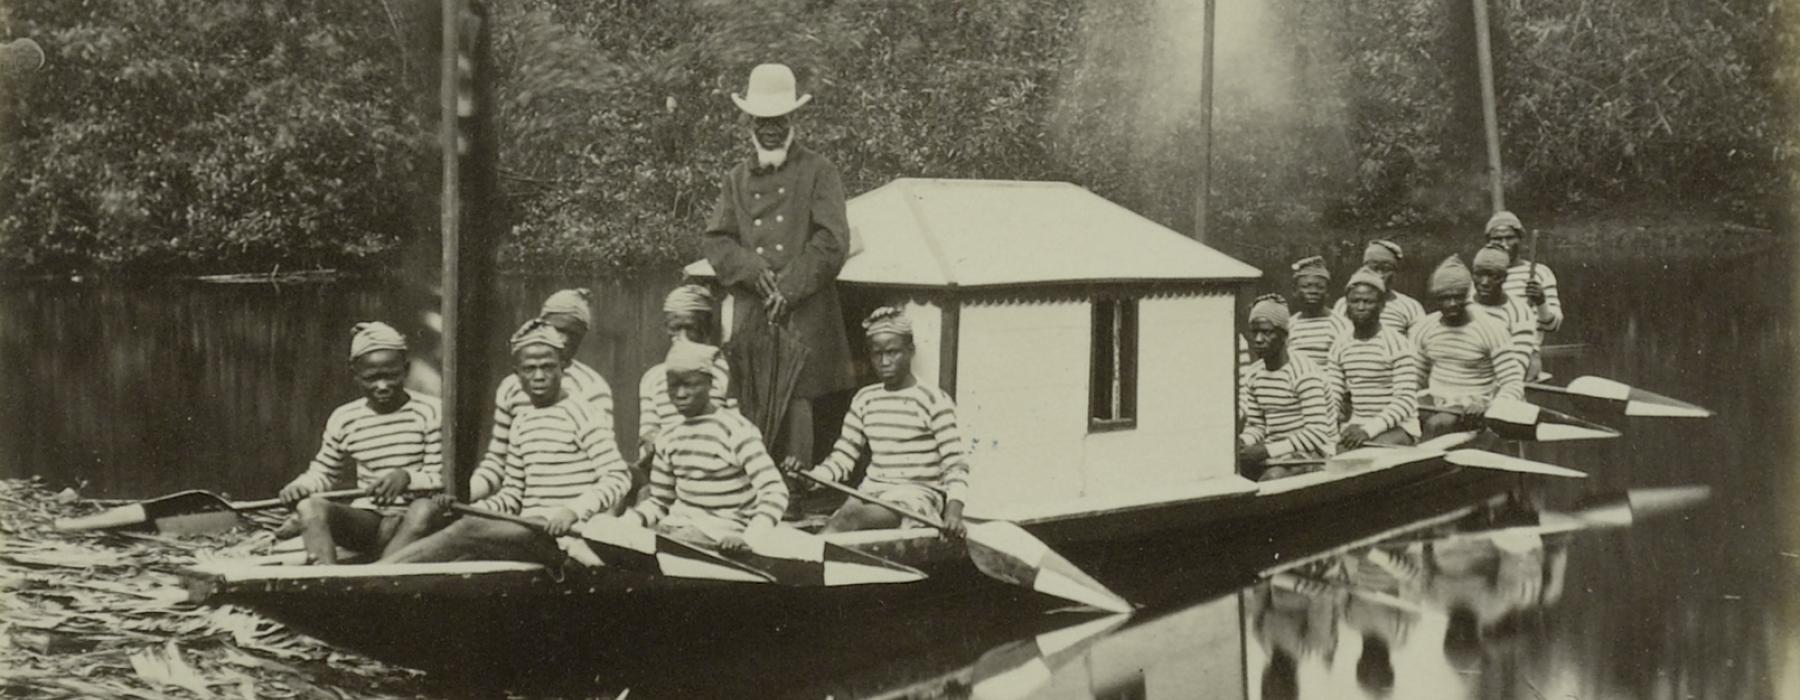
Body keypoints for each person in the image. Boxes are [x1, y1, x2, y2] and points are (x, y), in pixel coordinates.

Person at [702, 63, 857, 466]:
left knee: (800, 394)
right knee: (753, 392)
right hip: (755, 306)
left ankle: (801, 485)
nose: (770, 128)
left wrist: (789, 288)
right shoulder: (735, 178)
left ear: (793, 120)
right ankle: (755, 484)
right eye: (762, 120)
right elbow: (716, 240)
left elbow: (833, 239)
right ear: (750, 122)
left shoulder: (819, 171)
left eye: (779, 120)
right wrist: (750, 269)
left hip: (805, 306)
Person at [381, 320, 631, 564]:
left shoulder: (585, 413)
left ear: (563, 366)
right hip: (530, 527)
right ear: (517, 374)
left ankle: (374, 574)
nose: (539, 376)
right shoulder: (522, 421)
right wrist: (467, 506)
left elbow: (618, 477)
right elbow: (511, 495)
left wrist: (572, 511)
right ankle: (377, 578)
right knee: (461, 532)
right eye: (530, 369)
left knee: (466, 531)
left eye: (548, 367)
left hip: (569, 537)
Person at [793, 307, 971, 537]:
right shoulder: (865, 399)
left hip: (915, 499)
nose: (885, 361)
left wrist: (954, 513)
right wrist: (810, 478)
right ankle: (809, 564)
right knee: (842, 516)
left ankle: (807, 567)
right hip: (870, 493)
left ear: (910, 351)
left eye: (893, 352)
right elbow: (843, 458)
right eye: (877, 354)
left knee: (849, 519)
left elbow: (955, 465)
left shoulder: (933, 399)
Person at [277, 322, 442, 565]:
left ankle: (378, 577)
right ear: (355, 375)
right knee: (309, 507)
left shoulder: (431, 411)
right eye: (372, 378)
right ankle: (326, 579)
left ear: (405, 370)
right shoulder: (344, 418)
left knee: (425, 510)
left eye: (391, 375)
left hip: (414, 521)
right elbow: (323, 473)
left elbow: (440, 477)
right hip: (369, 520)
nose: (382, 386)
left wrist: (407, 478)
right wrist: (301, 486)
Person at [633, 340, 789, 554]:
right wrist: (626, 523)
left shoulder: (735, 430)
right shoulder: (669, 436)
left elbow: (775, 491)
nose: (680, 394)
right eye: (673, 385)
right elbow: (660, 501)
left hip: (725, 532)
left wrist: (749, 538)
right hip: (678, 528)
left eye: (689, 384)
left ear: (709, 383)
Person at [469, 288, 615, 505]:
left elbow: (602, 470)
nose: (563, 340)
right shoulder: (510, 387)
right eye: (557, 329)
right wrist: (465, 494)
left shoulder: (593, 387)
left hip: (566, 507)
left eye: (573, 335)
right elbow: (498, 461)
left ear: (583, 337)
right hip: (514, 499)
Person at [1413, 256, 1525, 438]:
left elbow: (1513, 383)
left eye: (1457, 297)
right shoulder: (1424, 327)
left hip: (1474, 406)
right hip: (1433, 400)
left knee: (1437, 425)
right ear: (1436, 298)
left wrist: (1489, 405)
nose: (1451, 304)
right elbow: (1416, 377)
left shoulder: (1491, 328)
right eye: (1445, 298)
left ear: (1466, 295)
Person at [1238, 295, 1337, 479]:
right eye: (1254, 332)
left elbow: (1317, 433)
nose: (1258, 339)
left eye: (1267, 332)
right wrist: (1243, 442)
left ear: (1284, 334)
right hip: (1277, 450)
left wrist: (1267, 450)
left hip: (1315, 454)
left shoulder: (1305, 373)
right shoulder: (1254, 374)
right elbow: (1257, 425)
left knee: (1272, 478)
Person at [1324, 267, 1419, 448]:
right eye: (1355, 301)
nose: (1361, 307)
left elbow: (1405, 400)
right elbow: (1333, 395)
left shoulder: (1398, 344)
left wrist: (1368, 430)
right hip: (1358, 423)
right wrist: (1330, 425)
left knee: (1364, 455)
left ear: (1382, 305)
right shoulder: (1340, 344)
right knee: (1330, 452)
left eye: (1368, 302)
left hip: (1399, 426)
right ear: (1346, 305)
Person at [1484, 211, 1563, 376]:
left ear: (1520, 240)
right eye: (1497, 239)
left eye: (1509, 237)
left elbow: (1553, 325)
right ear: (1488, 243)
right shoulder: (1481, 277)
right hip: (1487, 359)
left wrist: (1541, 302)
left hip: (1525, 359)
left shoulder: (1539, 273)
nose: (1504, 244)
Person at [1470, 243, 1539, 378]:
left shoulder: (1520, 313)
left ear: (1504, 278)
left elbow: (1516, 368)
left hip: (1501, 385)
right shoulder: (1462, 305)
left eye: (1492, 276)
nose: (1484, 282)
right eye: (1479, 275)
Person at [1332, 240, 1426, 336]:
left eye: (1386, 269)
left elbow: (1418, 342)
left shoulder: (1410, 306)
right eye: (1374, 268)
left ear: (1395, 272)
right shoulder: (1344, 304)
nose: (1380, 275)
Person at [1284, 256, 1351, 367]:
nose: (1313, 291)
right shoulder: (1289, 325)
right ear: (1295, 291)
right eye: (1306, 286)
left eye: (1320, 287)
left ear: (1327, 292)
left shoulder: (1340, 324)